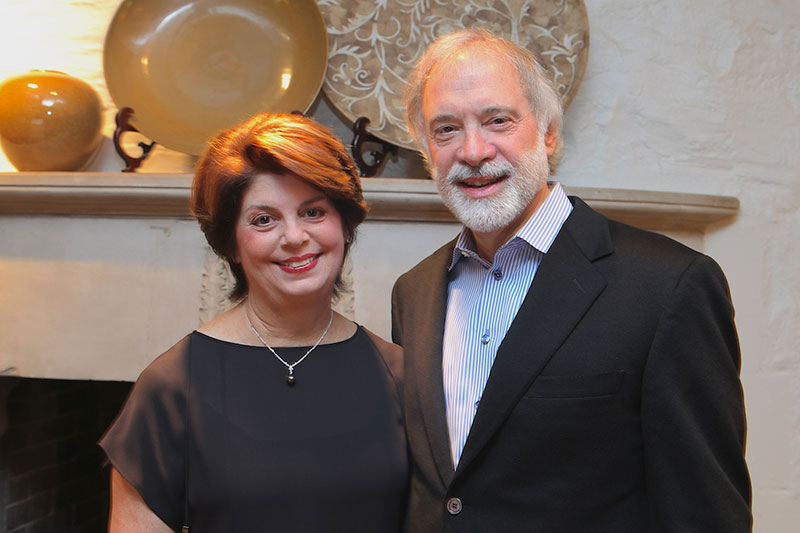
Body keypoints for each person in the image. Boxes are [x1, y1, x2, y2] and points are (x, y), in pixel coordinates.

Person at [391, 28, 751, 532]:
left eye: (498, 120)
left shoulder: (669, 286)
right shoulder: (414, 292)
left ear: (548, 132)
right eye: (446, 129)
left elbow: (705, 514)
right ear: (427, 148)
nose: (472, 151)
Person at [100, 112, 407, 532]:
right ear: (230, 244)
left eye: (313, 211)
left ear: (344, 223)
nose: (295, 236)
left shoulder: (401, 374)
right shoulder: (172, 386)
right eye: (264, 219)